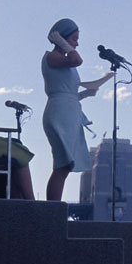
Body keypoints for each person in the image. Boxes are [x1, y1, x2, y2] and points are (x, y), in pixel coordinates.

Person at [42, 18, 110, 201]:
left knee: (64, 165)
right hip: (59, 113)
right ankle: (52, 209)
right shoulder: (52, 57)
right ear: (62, 38)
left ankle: (53, 208)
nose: (77, 43)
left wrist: (85, 94)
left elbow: (67, 92)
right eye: (74, 38)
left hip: (68, 112)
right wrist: (62, 43)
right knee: (62, 165)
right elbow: (77, 59)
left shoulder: (63, 60)